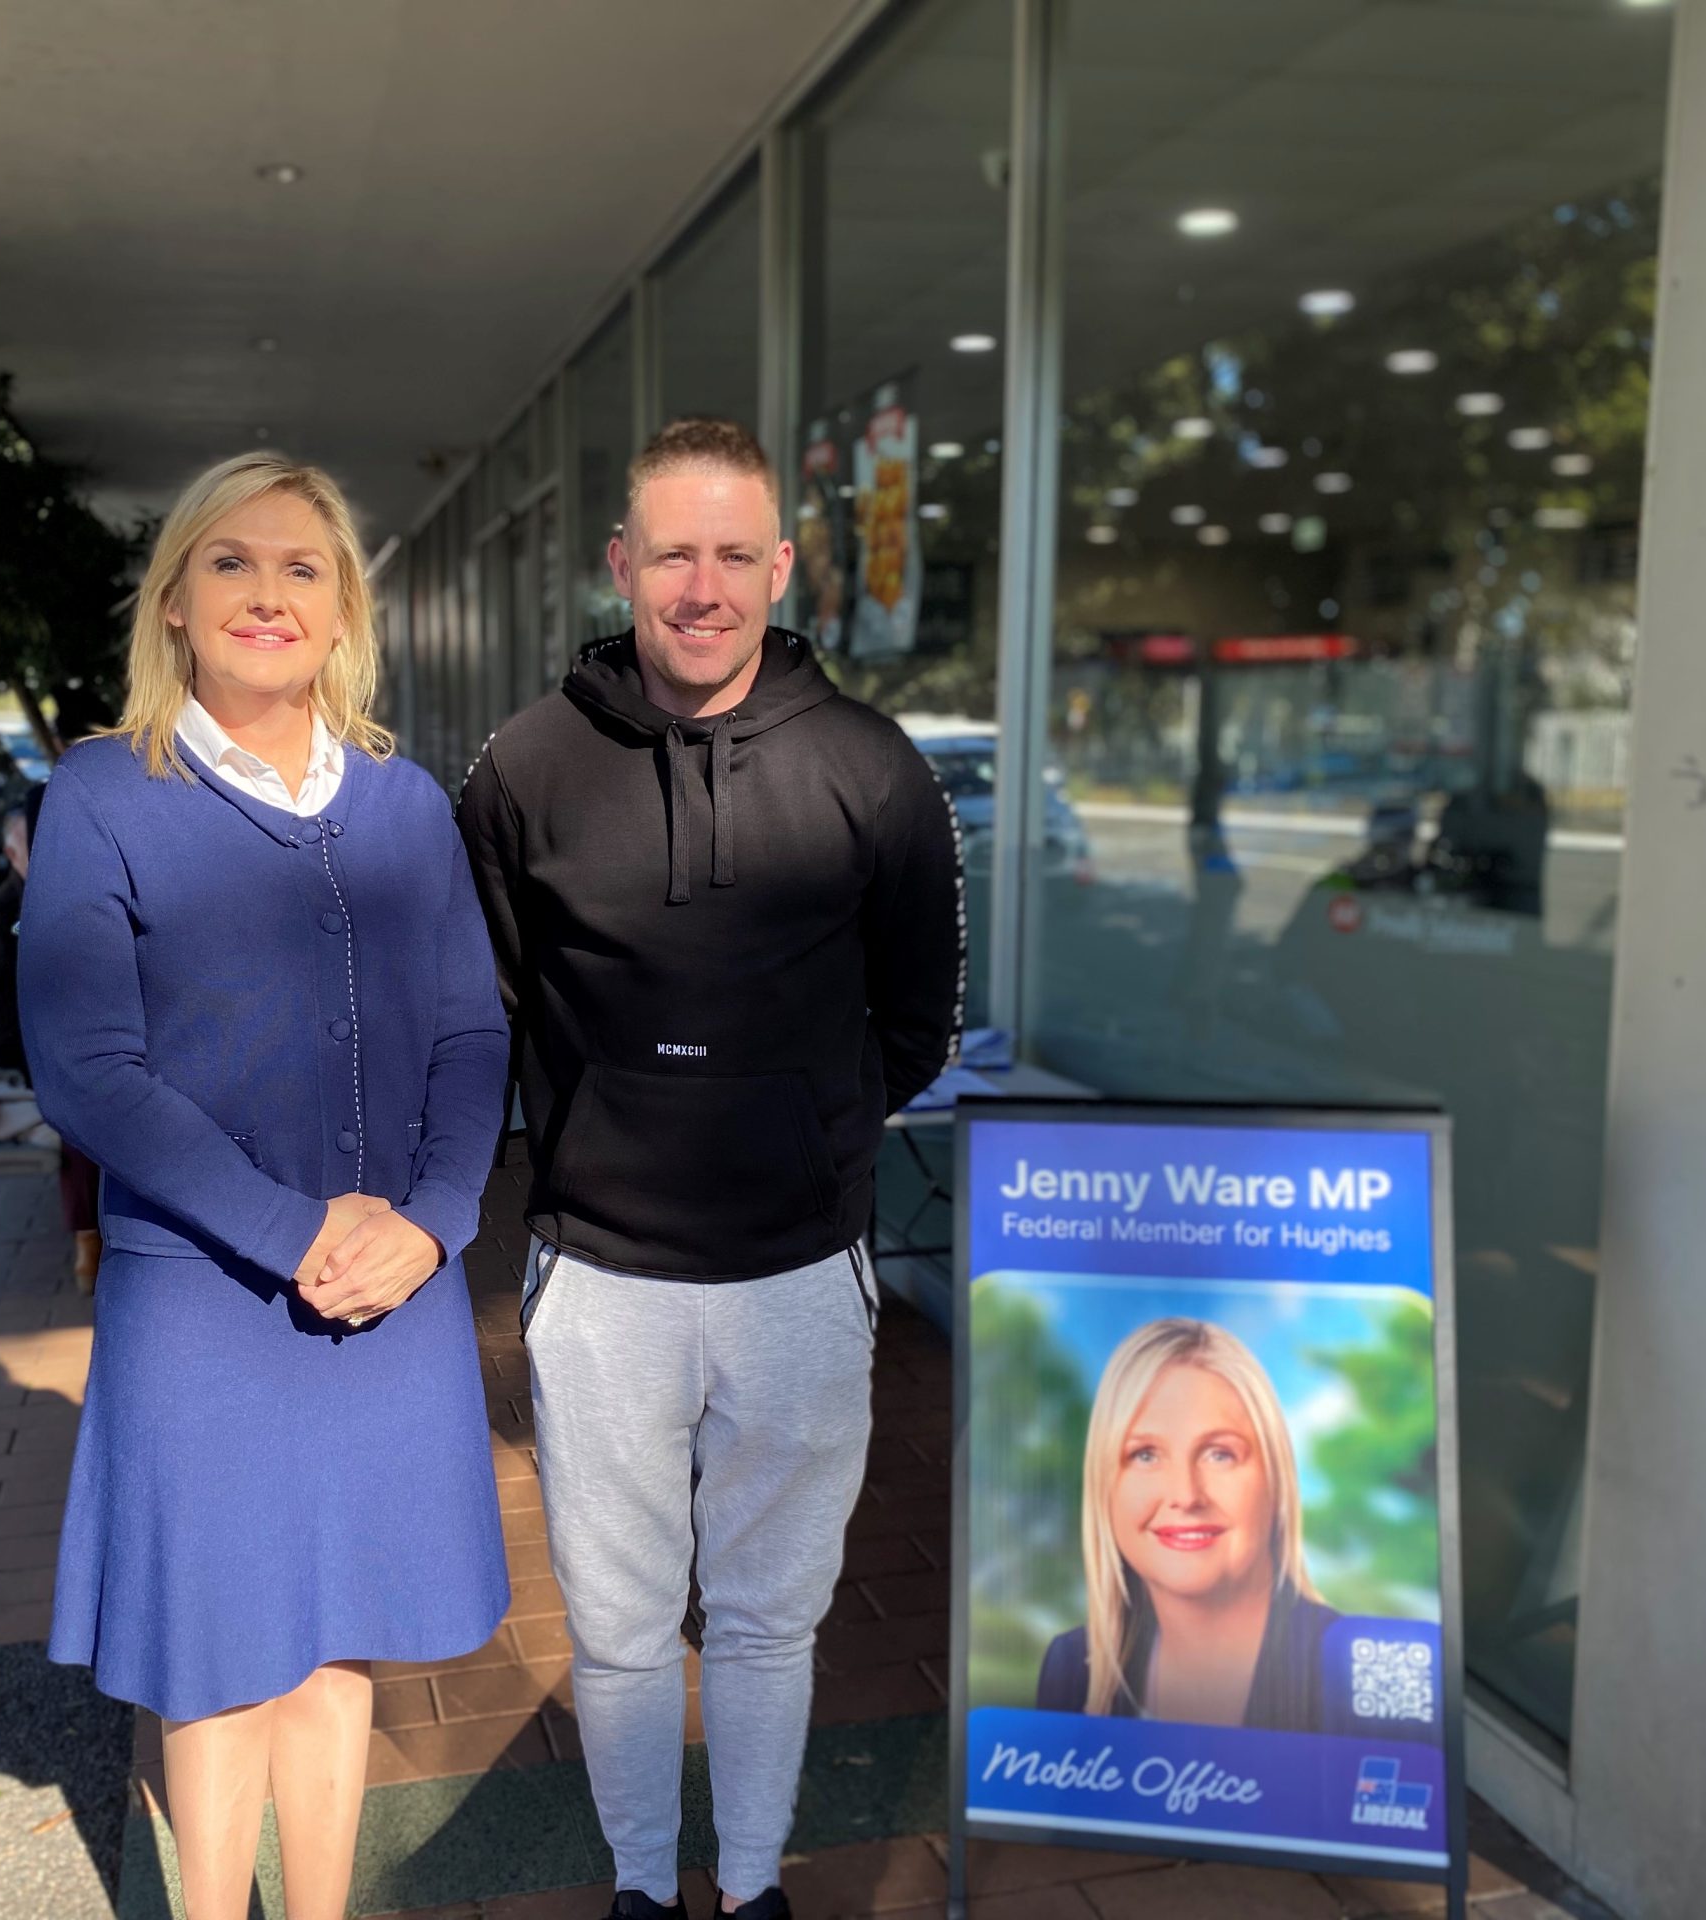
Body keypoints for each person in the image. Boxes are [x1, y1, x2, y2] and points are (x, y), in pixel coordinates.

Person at [457, 418, 965, 1920]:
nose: (701, 585)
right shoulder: (526, 766)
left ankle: (747, 1891)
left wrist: (799, 1126)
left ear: (781, 566)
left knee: (765, 1618)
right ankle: (635, 1886)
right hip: (600, 1271)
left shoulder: (873, 772)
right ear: (620, 564)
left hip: (801, 1269)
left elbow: (918, 1022)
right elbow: (483, 1003)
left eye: (733, 553)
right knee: (615, 1627)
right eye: (670, 551)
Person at [16, 452, 511, 1920]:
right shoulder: (106, 792)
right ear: (173, 602)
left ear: (345, 607)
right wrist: (300, 1233)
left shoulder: (409, 803)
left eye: (303, 567)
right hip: (210, 1304)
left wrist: (432, 1224)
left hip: (390, 1296)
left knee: (337, 1648)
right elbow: (90, 1072)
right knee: (216, 1663)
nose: (268, 593)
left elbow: (476, 1033)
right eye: (231, 562)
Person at [1036, 1318, 1336, 1731]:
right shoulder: (1071, 1670)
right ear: (1104, 1484)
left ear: (1276, 1480)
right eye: (1144, 1455)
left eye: (1219, 1454)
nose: (1186, 1495)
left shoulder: (1349, 1672)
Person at [0, 786, 105, 1289]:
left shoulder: (44, 906)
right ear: (15, 854)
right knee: (88, 1101)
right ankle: (89, 1235)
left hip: (24, 1058)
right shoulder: (0, 917)